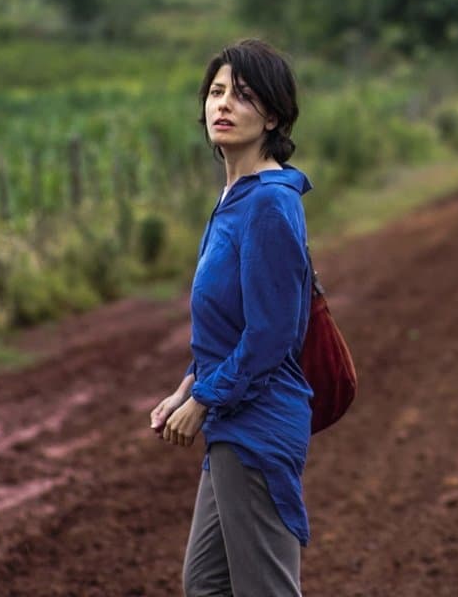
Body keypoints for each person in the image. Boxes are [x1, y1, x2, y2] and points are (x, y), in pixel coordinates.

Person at [149, 38, 314, 597]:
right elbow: (229, 327)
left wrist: (202, 401)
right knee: (207, 585)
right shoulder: (234, 198)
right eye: (216, 92)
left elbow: (271, 334)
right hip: (233, 414)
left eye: (243, 95)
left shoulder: (269, 203)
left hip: (258, 423)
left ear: (272, 116)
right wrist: (185, 389)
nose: (223, 104)